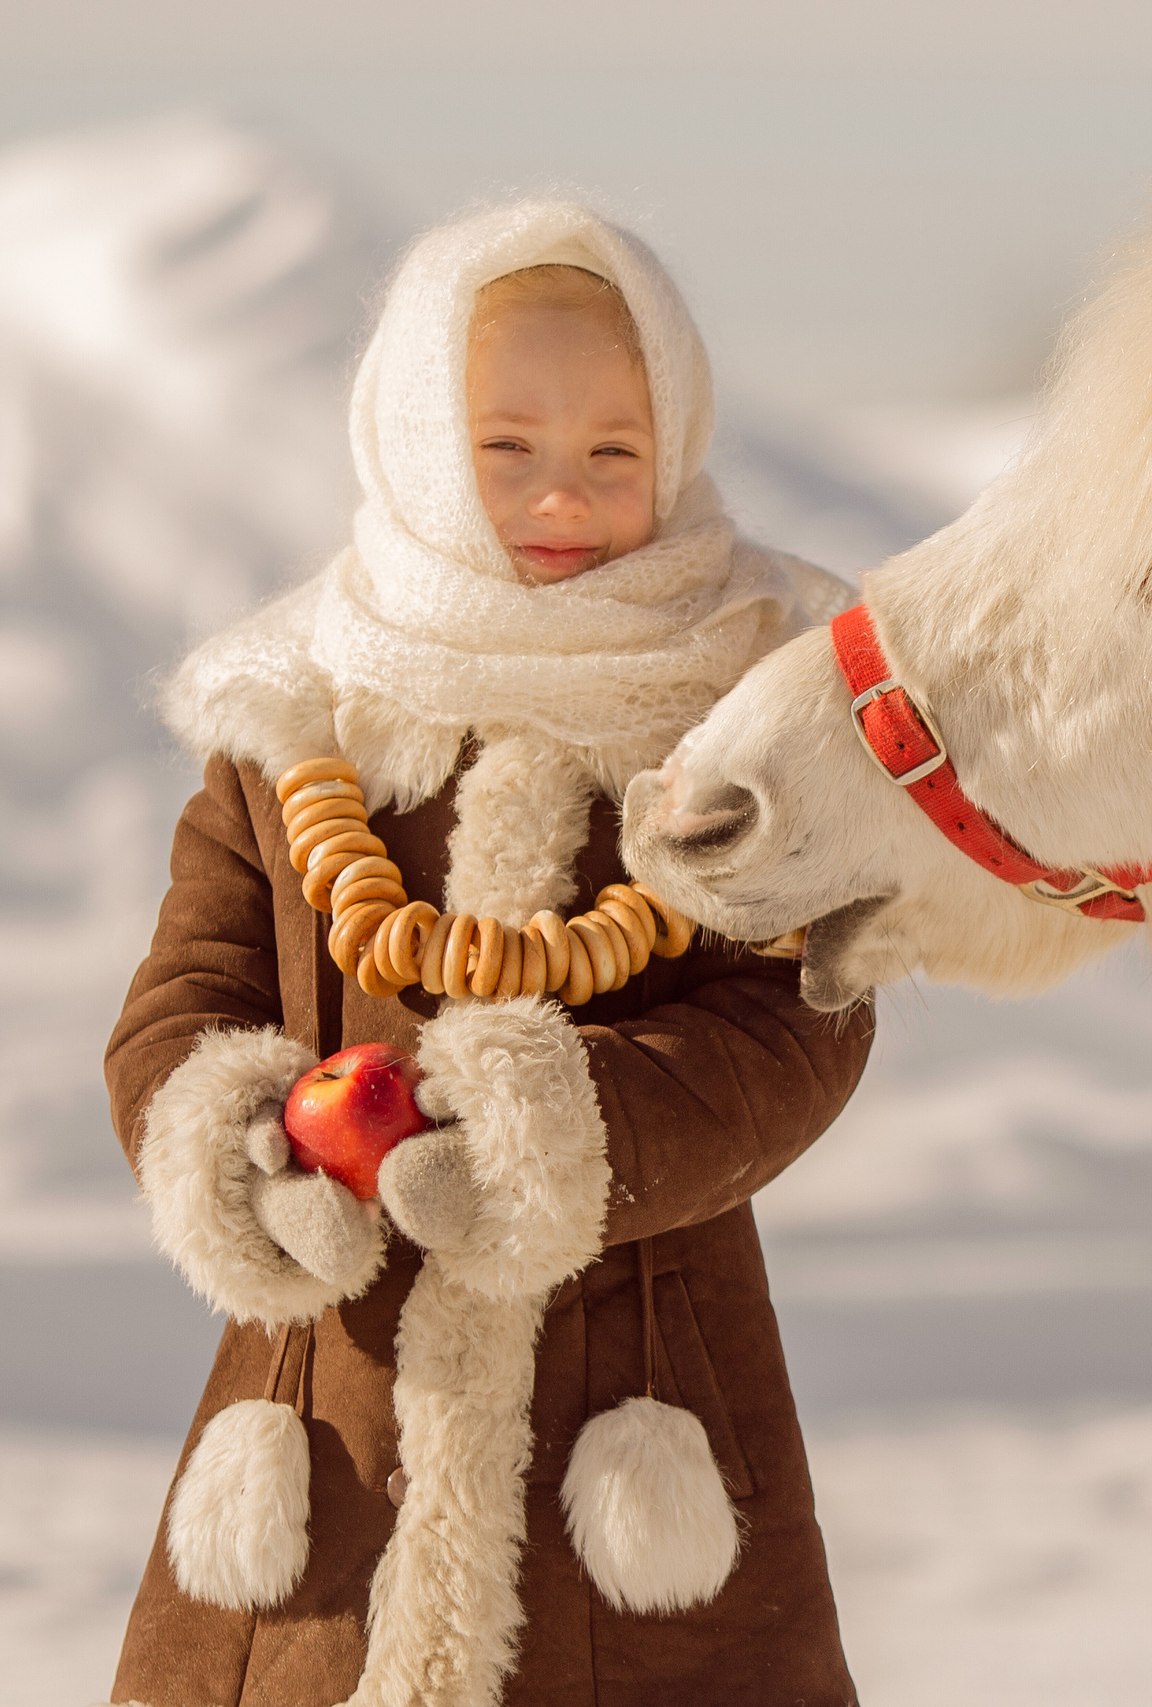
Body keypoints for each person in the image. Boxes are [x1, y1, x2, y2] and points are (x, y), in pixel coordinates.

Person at [102, 202, 869, 1707]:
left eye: (614, 451)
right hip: (338, 1391)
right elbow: (186, 999)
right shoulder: (300, 717)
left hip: (638, 1383)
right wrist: (245, 1154)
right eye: (506, 448)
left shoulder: (742, 723)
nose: (562, 498)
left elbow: (798, 1017)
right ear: (414, 446)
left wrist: (566, 1133)